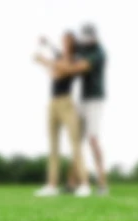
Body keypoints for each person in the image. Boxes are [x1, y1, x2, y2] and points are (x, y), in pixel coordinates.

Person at [48, 24, 109, 195]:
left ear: (94, 37)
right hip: (82, 100)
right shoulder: (84, 47)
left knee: (92, 139)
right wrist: (51, 45)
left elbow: (76, 68)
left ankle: (102, 183)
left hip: (95, 100)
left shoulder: (98, 53)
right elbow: (67, 51)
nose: (85, 41)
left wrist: (55, 65)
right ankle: (72, 183)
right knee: (77, 139)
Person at [34, 32, 91, 197]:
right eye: (63, 41)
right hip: (52, 103)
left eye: (67, 41)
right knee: (53, 147)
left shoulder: (75, 60)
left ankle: (85, 185)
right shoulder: (59, 56)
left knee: (75, 145)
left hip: (67, 103)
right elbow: (54, 68)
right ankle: (51, 185)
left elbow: (63, 71)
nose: (64, 44)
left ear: (72, 45)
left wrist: (47, 62)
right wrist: (46, 50)